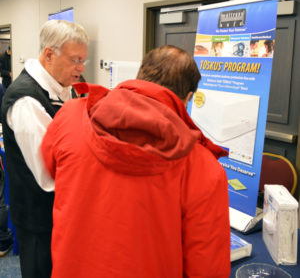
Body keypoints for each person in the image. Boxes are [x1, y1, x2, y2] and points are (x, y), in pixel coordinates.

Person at [41, 45, 231, 278]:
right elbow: (207, 268)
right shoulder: (202, 167)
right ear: (188, 97)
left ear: (140, 76)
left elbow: (51, 169)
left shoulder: (70, 116)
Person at [1, 20, 88, 278]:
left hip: (62, 215)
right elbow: (50, 174)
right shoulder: (27, 100)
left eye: (83, 60)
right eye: (75, 60)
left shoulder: (63, 88)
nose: (81, 68)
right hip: (40, 220)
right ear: (49, 54)